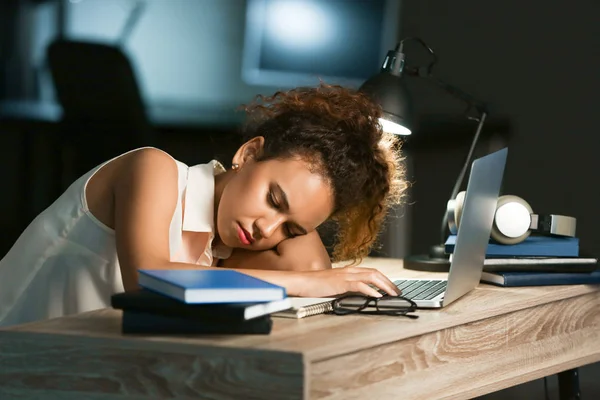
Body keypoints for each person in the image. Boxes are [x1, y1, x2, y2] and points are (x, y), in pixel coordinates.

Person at [0, 83, 408, 327]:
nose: (268, 229)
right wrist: (311, 283)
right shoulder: (153, 169)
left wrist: (306, 243)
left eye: (290, 228)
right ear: (248, 154)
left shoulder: (225, 247)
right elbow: (149, 281)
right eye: (273, 199)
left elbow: (311, 270)